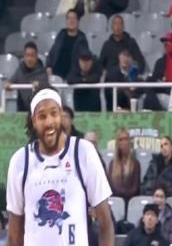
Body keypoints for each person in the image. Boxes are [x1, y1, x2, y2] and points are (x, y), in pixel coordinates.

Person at [6, 88, 114, 245]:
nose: (49, 122)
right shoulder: (20, 161)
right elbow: (14, 235)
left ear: (61, 114)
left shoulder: (83, 152)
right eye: (42, 116)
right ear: (33, 121)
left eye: (53, 113)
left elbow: (105, 223)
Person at [46, 9, 89, 80]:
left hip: (72, 78)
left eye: (74, 18)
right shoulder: (61, 34)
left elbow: (84, 58)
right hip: (56, 76)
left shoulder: (82, 38)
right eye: (69, 18)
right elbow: (52, 53)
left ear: (78, 21)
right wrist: (49, 67)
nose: (71, 21)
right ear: (66, 21)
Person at [5, 41, 48, 112]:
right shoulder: (19, 70)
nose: (29, 59)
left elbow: (46, 88)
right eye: (27, 55)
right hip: (22, 111)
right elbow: (10, 82)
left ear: (36, 56)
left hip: (39, 110)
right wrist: (8, 84)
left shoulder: (43, 72)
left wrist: (40, 85)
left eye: (32, 55)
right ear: (24, 56)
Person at [108, 129, 141, 204]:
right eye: (121, 140)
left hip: (130, 202)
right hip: (116, 201)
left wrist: (124, 195)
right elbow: (111, 186)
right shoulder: (112, 164)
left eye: (126, 139)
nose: (124, 142)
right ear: (117, 143)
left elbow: (135, 188)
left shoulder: (135, 164)